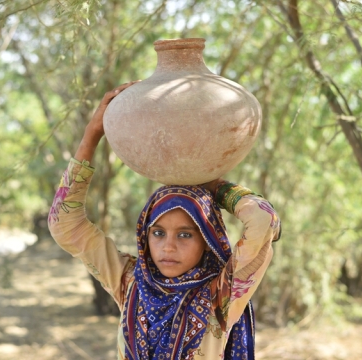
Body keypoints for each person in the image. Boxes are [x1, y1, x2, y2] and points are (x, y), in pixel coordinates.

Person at [48, 81, 281, 360]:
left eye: (185, 235)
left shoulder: (221, 296)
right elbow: (64, 224)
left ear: (207, 241)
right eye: (158, 233)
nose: (168, 247)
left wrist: (213, 185)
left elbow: (263, 220)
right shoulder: (130, 283)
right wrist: (92, 136)